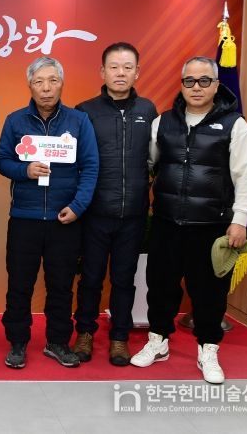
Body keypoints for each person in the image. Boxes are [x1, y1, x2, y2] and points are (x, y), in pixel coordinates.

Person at [130, 56, 247, 384]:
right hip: (167, 222)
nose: (196, 87)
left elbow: (245, 176)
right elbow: (151, 164)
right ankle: (158, 341)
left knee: (209, 292)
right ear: (182, 85)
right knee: (161, 287)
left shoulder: (234, 125)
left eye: (204, 81)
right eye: (189, 81)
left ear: (216, 85)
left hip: (212, 225)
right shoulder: (163, 122)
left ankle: (208, 348)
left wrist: (240, 219)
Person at [0, 56, 99, 369]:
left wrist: (78, 207)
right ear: (30, 85)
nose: (46, 88)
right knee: (19, 285)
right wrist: (25, 170)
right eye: (39, 81)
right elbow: (3, 161)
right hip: (25, 218)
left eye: (52, 80)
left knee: (61, 285)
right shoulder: (15, 121)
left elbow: (91, 166)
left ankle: (57, 341)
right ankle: (17, 342)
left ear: (61, 84)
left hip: (64, 218)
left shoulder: (78, 121)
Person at [71, 43, 158, 366]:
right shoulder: (85, 111)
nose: (120, 73)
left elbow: (154, 159)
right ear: (102, 72)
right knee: (90, 278)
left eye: (127, 67)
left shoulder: (148, 110)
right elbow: (76, 162)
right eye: (114, 67)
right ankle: (84, 333)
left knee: (124, 279)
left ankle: (119, 337)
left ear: (137, 72)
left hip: (133, 214)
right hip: (94, 213)